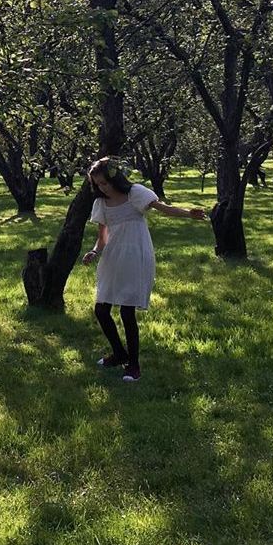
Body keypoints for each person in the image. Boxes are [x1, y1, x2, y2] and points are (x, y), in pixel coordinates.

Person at [81, 158, 205, 382]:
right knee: (101, 309)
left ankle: (133, 365)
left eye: (104, 183)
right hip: (112, 257)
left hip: (135, 255)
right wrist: (94, 251)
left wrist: (189, 213)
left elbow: (163, 208)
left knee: (127, 312)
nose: (102, 188)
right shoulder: (100, 203)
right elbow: (103, 236)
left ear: (114, 178)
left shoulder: (135, 193)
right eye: (97, 184)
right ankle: (119, 353)